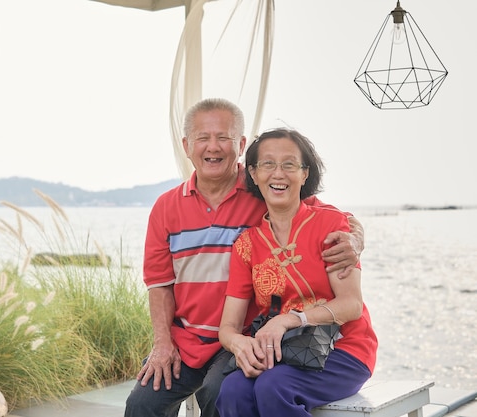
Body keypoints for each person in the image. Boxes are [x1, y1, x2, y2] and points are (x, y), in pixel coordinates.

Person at [124, 98, 364, 417]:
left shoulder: (264, 189)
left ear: (240, 144)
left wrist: (356, 240)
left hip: (245, 335)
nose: (213, 147)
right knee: (142, 404)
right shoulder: (166, 207)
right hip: (186, 341)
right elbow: (159, 284)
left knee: (219, 394)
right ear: (186, 145)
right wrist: (163, 343)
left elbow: (332, 217)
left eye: (223, 137)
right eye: (203, 138)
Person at [216, 128, 378, 417]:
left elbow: (351, 305)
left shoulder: (332, 226)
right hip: (282, 354)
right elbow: (228, 326)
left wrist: (289, 320)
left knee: (273, 387)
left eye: (289, 164)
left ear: (305, 174)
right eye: (268, 164)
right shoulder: (246, 245)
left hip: (344, 350)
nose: (278, 174)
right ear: (252, 173)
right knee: (232, 390)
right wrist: (238, 343)